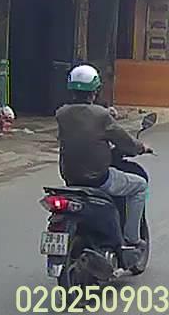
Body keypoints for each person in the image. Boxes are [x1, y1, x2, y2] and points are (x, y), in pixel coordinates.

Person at [56, 64, 150, 267]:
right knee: (140, 186)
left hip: (71, 179)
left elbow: (82, 120)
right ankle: (132, 239)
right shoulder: (101, 116)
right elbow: (125, 141)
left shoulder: (62, 114)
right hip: (99, 179)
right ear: (95, 90)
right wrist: (141, 147)